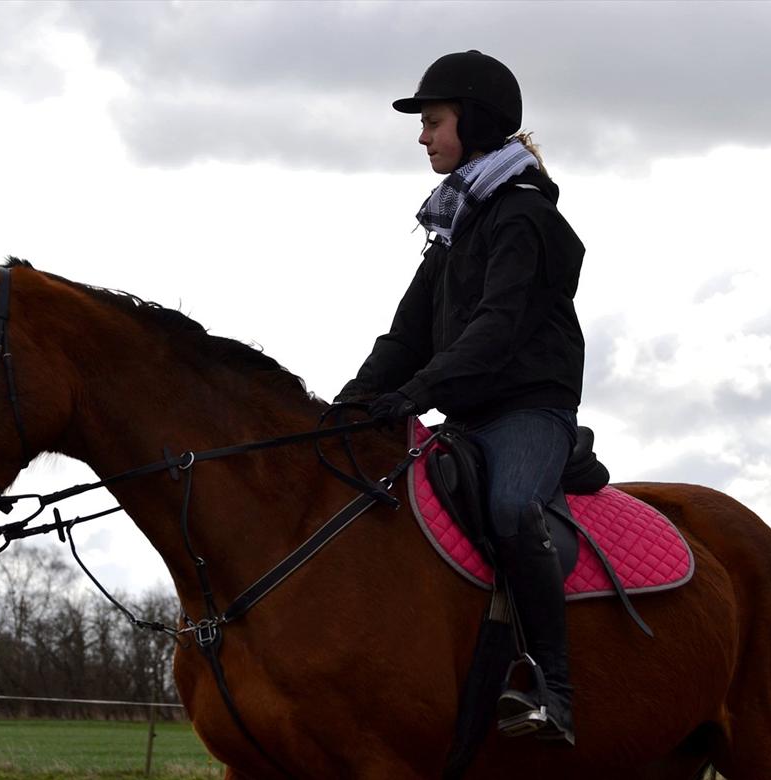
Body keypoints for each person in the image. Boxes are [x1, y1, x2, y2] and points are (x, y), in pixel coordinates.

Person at [335, 50, 585, 744]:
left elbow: (495, 330)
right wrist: (348, 408)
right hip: (468, 413)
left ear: (473, 123)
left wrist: (417, 393)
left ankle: (553, 692)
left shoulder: (522, 217)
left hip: (532, 409)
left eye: (433, 122)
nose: (422, 137)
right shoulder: (454, 227)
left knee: (509, 508)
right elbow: (406, 336)